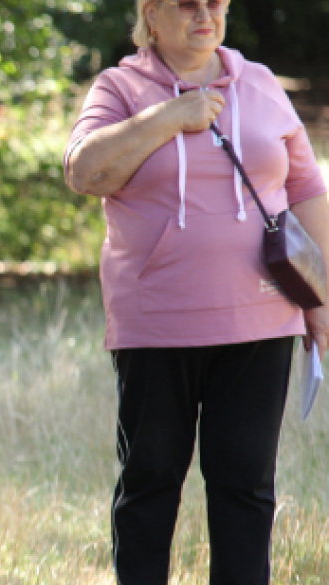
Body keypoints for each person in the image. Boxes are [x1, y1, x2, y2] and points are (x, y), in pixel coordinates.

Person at [63, 0, 329, 583]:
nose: (206, 12)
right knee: (150, 483)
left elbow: (307, 187)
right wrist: (169, 117)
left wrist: (322, 299)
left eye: (216, 1)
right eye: (188, 2)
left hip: (261, 319)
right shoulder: (119, 86)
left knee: (245, 487)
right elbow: (83, 171)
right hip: (156, 323)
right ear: (152, 14)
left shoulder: (258, 84)